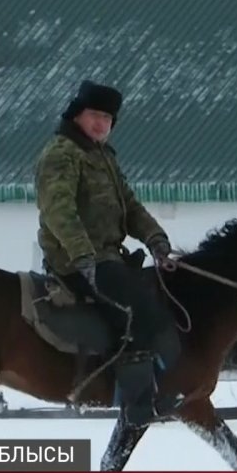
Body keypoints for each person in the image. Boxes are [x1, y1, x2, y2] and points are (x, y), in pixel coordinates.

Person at [34, 79, 180, 427]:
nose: (102, 124)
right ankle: (139, 405)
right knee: (136, 308)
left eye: (108, 118)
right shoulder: (61, 154)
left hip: (108, 255)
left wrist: (156, 241)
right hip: (74, 259)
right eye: (95, 115)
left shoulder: (102, 157)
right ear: (78, 115)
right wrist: (83, 256)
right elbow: (58, 210)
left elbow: (130, 207)